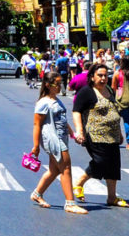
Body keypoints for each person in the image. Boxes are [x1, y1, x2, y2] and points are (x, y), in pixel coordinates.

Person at [72, 63, 129, 207]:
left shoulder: (109, 89)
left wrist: (120, 133)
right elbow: (76, 111)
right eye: (100, 76)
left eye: (105, 76)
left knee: (114, 166)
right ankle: (79, 182)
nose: (104, 78)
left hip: (112, 135)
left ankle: (112, 198)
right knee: (100, 162)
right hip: (95, 134)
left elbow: (113, 111)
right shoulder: (86, 92)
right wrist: (79, 130)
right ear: (92, 77)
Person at [29, 71, 86, 214]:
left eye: (61, 83)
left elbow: (62, 120)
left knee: (54, 170)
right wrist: (36, 146)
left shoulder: (55, 99)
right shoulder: (43, 103)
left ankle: (37, 194)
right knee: (65, 168)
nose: (60, 86)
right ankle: (70, 203)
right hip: (53, 139)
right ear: (48, 85)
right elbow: (37, 125)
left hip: (62, 137)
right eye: (57, 84)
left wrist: (73, 134)